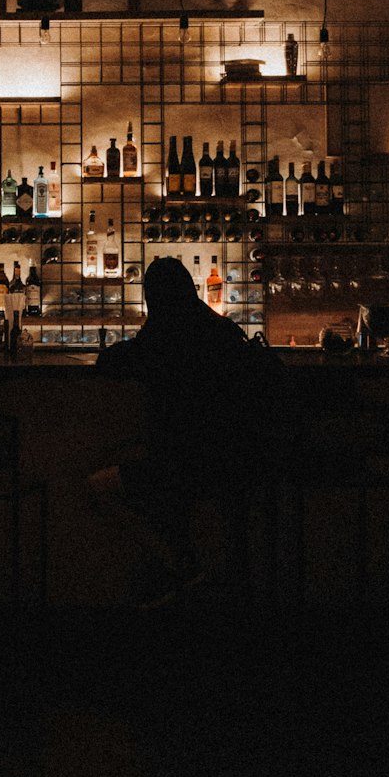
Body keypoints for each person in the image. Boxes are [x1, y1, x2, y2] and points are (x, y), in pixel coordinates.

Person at [88, 256, 287, 607]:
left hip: (180, 467)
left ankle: (177, 565)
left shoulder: (160, 339)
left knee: (99, 485)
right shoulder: (224, 332)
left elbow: (110, 364)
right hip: (238, 465)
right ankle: (189, 565)